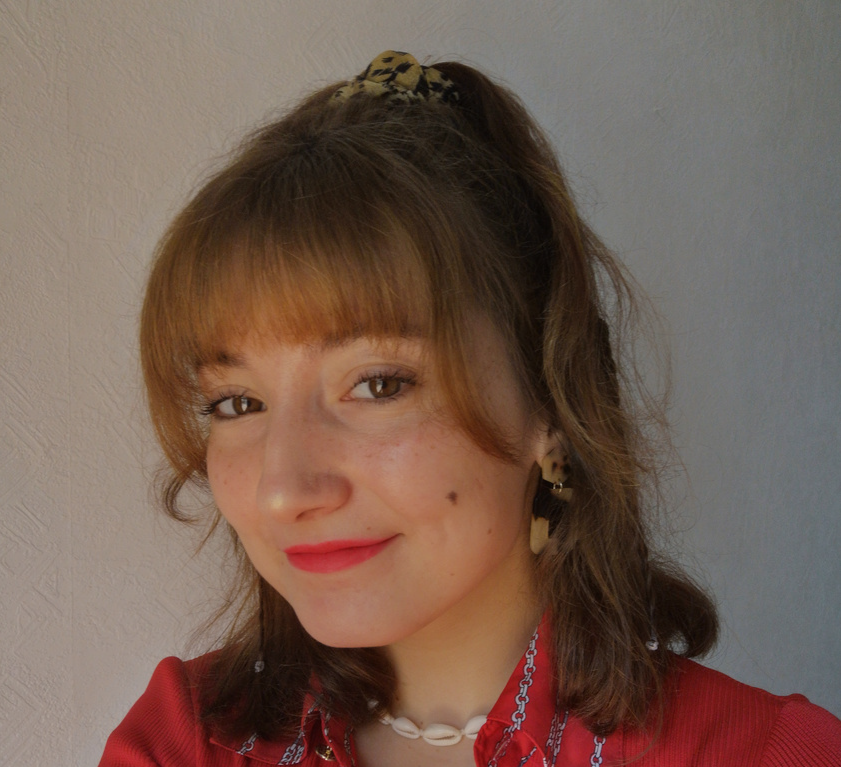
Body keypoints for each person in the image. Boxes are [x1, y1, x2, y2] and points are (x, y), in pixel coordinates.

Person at [99, 51, 841, 766]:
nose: (282, 489)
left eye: (378, 384)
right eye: (238, 402)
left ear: (548, 396)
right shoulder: (184, 743)